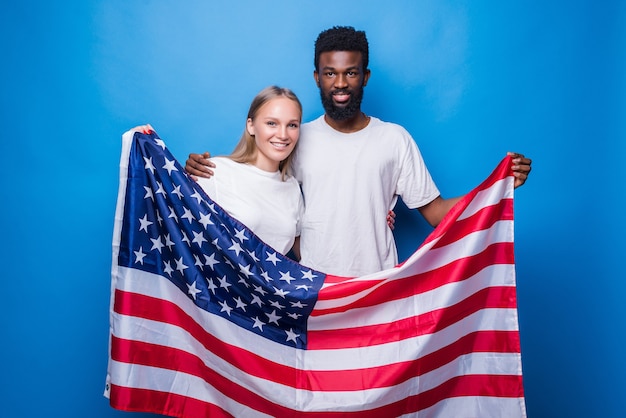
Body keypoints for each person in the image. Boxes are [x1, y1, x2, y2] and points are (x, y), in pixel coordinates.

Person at [185, 26, 532, 277]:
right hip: (312, 287)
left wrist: (495, 187)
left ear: (364, 77)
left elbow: (437, 212)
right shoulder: (295, 138)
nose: (340, 83)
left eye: (350, 73)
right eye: (330, 73)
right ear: (317, 77)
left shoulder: (394, 139)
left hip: (377, 285)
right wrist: (199, 172)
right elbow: (260, 188)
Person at [137, 85, 305, 256]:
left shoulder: (292, 188)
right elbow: (172, 222)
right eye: (271, 123)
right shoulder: (214, 172)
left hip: (273, 283)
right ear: (251, 126)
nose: (283, 134)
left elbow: (302, 257)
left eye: (292, 125)